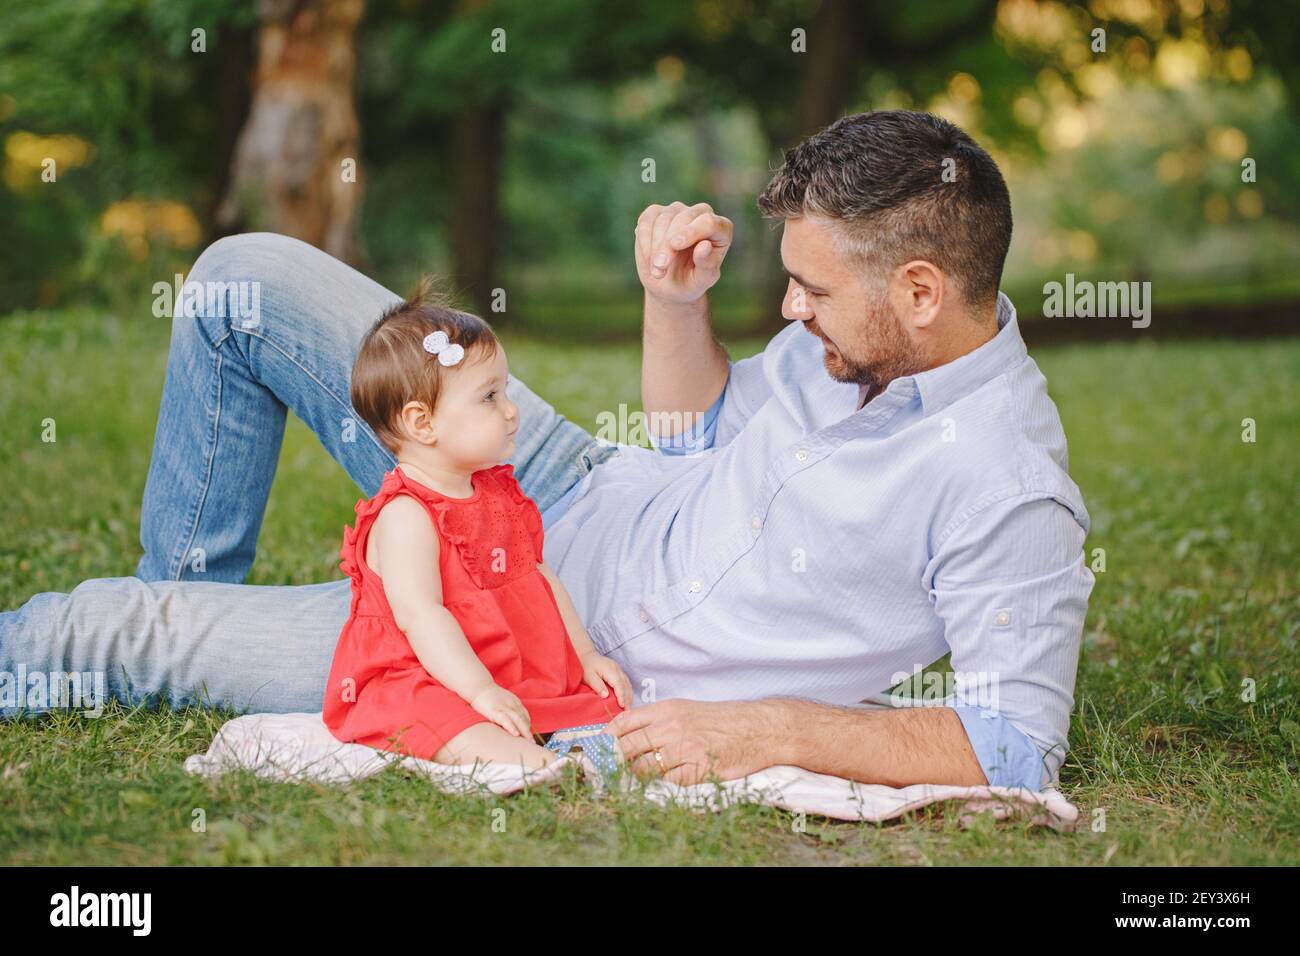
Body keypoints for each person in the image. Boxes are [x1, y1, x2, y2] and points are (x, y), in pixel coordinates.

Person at [0, 109, 1094, 790]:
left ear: (919, 290)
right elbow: (697, 432)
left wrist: (762, 729)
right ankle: (186, 614)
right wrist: (675, 304)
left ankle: (152, 645)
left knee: (104, 630)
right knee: (244, 276)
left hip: (528, 639)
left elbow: (1009, 742)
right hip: (567, 483)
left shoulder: (1005, 488)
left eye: (811, 287)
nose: (792, 307)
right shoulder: (862, 342)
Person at [321, 283, 629, 773]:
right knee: (446, 721)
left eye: (504, 390)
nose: (512, 410)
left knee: (598, 704)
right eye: (489, 396)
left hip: (502, 667)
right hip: (420, 674)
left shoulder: (497, 491)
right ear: (422, 424)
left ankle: (563, 735)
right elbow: (422, 618)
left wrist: (585, 655)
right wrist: (479, 690)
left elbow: (541, 579)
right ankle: (534, 763)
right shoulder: (406, 516)